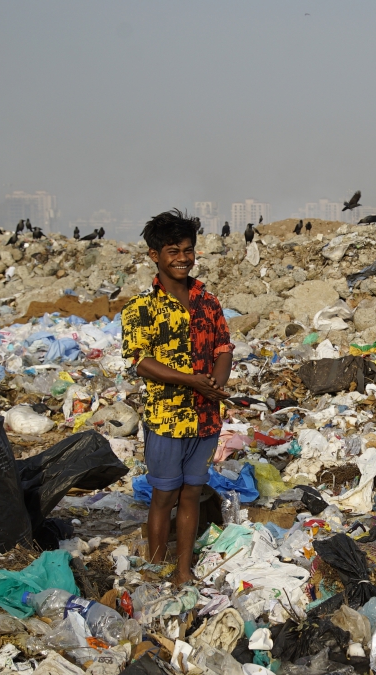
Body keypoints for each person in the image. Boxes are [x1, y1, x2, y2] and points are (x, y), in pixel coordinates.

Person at [121, 209, 233, 585]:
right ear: (155, 255)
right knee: (164, 497)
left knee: (192, 496)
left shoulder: (209, 302)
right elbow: (142, 362)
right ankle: (155, 572)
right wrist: (193, 382)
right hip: (167, 417)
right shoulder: (141, 308)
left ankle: (183, 572)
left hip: (206, 418)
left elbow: (223, 347)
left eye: (188, 249)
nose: (183, 258)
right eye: (173, 250)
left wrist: (216, 382)